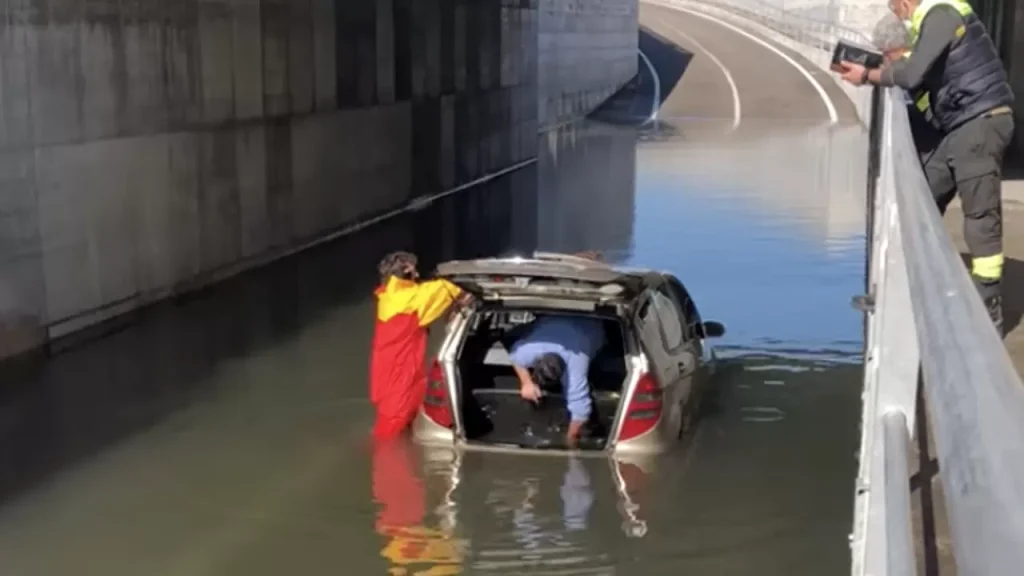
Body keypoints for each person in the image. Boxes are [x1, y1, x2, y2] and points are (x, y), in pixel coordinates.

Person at [838, 0, 1015, 335]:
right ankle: (908, 291)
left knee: (980, 218)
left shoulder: (942, 14)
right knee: (921, 200)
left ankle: (987, 309)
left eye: (895, 7)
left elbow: (912, 73)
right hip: (961, 125)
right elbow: (925, 88)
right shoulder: (931, 23)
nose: (897, 14)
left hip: (980, 121)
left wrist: (868, 76)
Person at [369, 251, 470, 439]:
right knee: (388, 442)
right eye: (414, 271)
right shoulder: (412, 301)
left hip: (389, 382)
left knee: (388, 435)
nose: (418, 276)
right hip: (402, 385)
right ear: (406, 272)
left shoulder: (389, 295)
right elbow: (451, 287)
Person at [508, 314, 605, 448]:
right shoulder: (530, 350)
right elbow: (514, 355)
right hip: (554, 317)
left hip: (591, 323)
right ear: (536, 361)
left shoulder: (576, 363)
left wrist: (569, 441)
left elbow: (581, 413)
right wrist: (526, 383)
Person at [871, 12, 943, 162]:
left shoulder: (910, 65)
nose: (885, 60)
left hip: (933, 132)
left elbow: (919, 101)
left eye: (886, 54)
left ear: (897, 48)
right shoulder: (917, 53)